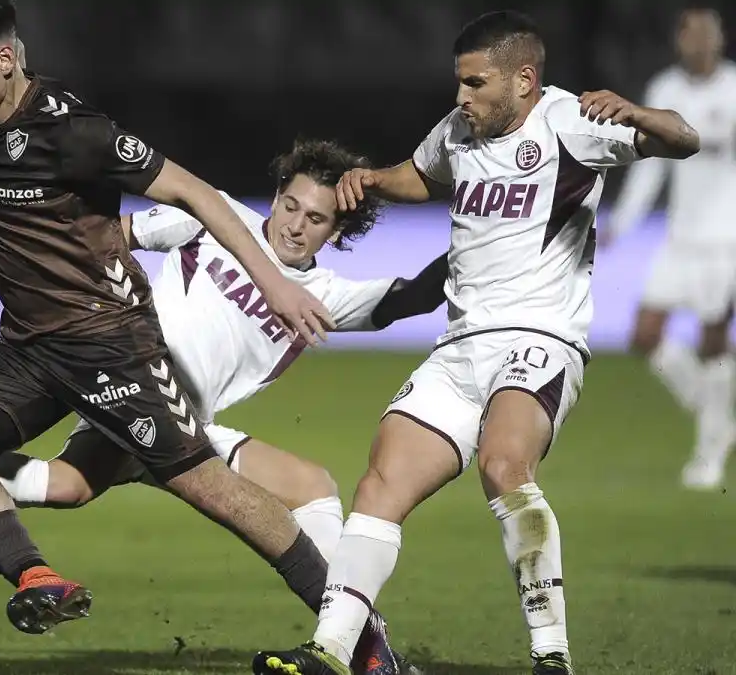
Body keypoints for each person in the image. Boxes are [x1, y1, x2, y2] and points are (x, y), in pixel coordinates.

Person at [0, 138, 448, 672]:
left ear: (337, 229)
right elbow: (117, 232)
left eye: (317, 218)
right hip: (124, 385)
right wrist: (24, 257)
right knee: (93, 485)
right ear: (275, 196)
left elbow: (411, 298)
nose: (296, 224)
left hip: (192, 427)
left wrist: (492, 239)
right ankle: (366, 648)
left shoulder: (326, 293)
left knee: (82, 485)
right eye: (290, 204)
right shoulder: (217, 218)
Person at [252, 10, 699, 675]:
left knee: (503, 464)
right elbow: (422, 173)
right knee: (382, 480)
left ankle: (552, 656)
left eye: (475, 83)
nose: (462, 97)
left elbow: (684, 140)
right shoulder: (460, 129)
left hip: (540, 336)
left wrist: (637, 111)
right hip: (461, 344)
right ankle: (331, 651)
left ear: (523, 79)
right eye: (459, 84)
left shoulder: (571, 122)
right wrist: (373, 180)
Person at [0, 0, 341, 637]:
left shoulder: (76, 131)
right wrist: (11, 255)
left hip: (109, 344)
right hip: (28, 349)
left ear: (7, 59)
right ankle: (37, 578)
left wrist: (276, 286)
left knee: (212, 489)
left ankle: (358, 634)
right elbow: (26, 202)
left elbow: (195, 193)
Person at [602, 6, 736, 491]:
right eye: (692, 33)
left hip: (727, 241)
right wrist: (622, 222)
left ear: (721, 39)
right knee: (644, 334)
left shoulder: (734, 89)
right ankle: (713, 412)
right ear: (679, 40)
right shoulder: (666, 91)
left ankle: (709, 456)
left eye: (709, 32)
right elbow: (651, 167)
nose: (701, 41)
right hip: (680, 238)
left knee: (713, 341)